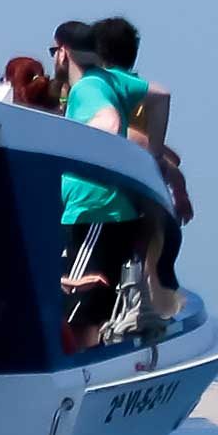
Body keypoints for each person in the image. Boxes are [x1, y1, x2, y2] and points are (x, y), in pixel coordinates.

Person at [53, 18, 155, 342]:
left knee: (81, 315)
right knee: (91, 309)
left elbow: (113, 126)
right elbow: (161, 97)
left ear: (64, 53)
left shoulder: (91, 87)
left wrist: (67, 144)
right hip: (113, 209)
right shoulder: (123, 85)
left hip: (94, 209)